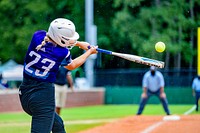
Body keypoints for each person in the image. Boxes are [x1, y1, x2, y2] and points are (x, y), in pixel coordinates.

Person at [18, 18, 98, 133]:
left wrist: (79, 44)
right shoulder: (62, 53)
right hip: (43, 98)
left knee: (58, 126)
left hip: (25, 94)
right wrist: (89, 52)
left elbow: (55, 40)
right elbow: (72, 65)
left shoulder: (37, 36)